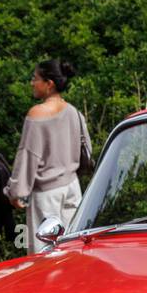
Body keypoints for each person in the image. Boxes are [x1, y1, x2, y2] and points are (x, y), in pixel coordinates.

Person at [6, 59, 91, 245]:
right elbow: (87, 149)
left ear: (49, 84)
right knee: (73, 247)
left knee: (45, 254)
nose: (31, 83)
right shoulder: (74, 112)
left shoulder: (37, 114)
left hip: (47, 195)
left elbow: (28, 157)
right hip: (72, 188)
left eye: (35, 78)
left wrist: (16, 192)